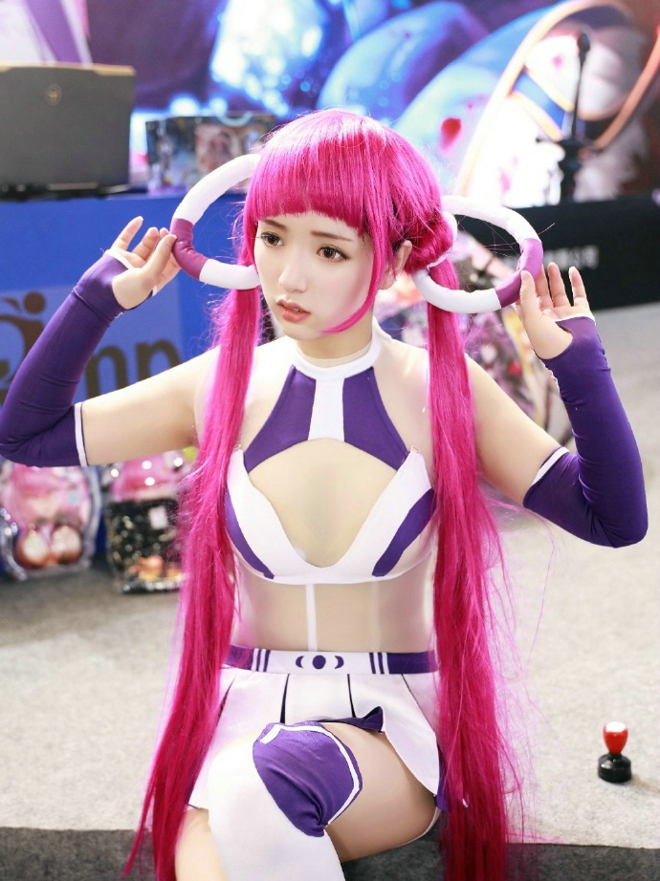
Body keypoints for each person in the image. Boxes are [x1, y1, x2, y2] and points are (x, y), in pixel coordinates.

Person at [0, 109, 647, 881]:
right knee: (224, 833)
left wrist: (578, 363)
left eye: (329, 249)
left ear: (396, 256)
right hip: (242, 721)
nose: (288, 276)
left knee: (253, 795)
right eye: (272, 238)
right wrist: (98, 299)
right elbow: (26, 434)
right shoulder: (218, 386)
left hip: (386, 728)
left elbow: (614, 517)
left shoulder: (441, 389)